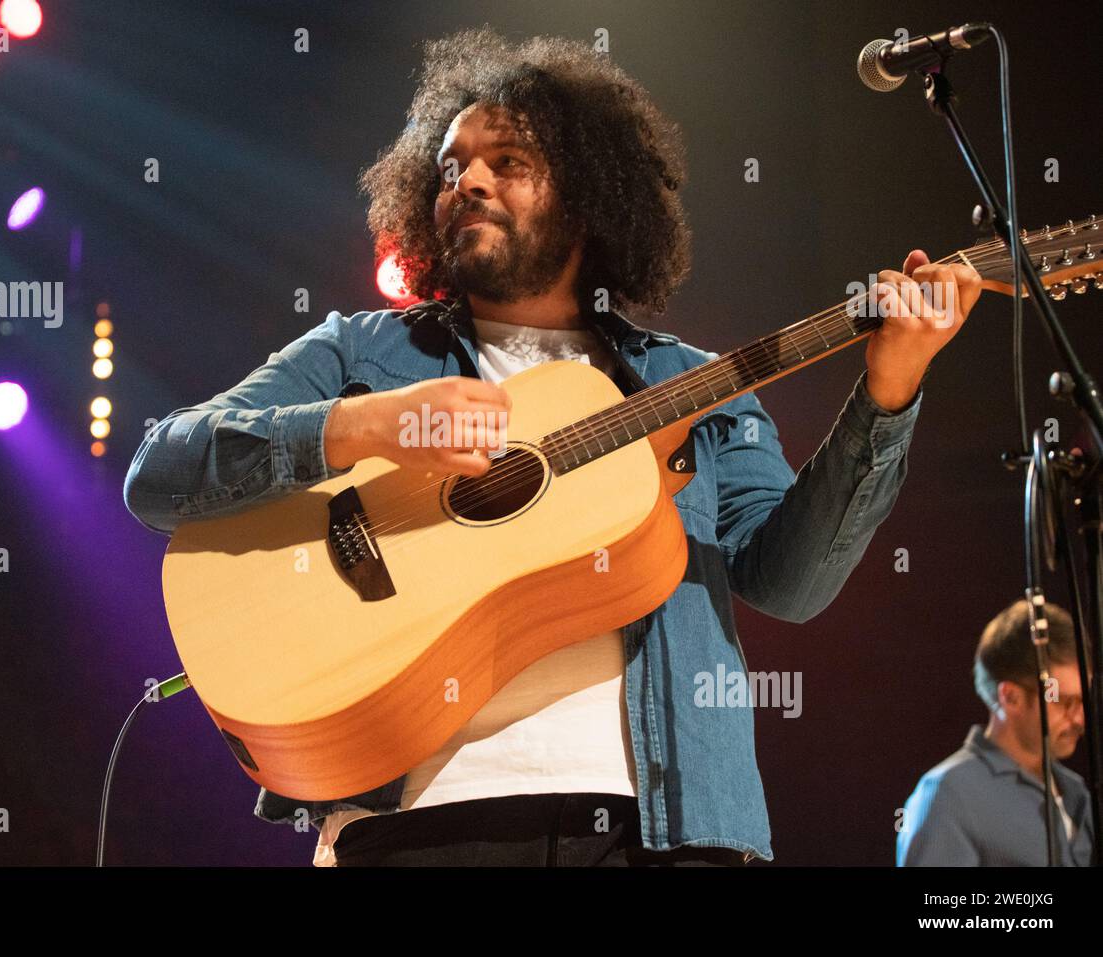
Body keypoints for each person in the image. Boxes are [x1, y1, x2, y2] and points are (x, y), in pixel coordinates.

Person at [124, 27, 981, 866]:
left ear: (586, 196)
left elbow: (789, 583)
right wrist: (363, 425)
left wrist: (888, 389)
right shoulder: (362, 355)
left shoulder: (697, 384)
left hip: (662, 830)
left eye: (508, 164)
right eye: (451, 169)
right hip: (417, 827)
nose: (468, 183)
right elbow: (160, 471)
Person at [897, 599, 1094, 866]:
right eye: (1065, 702)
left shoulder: (1076, 790)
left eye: (1084, 701)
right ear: (1010, 697)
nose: (1080, 718)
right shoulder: (950, 794)